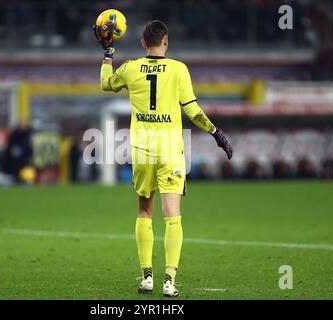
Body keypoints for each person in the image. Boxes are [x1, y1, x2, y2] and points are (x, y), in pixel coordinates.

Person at [94, 20, 233, 297]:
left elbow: (105, 85)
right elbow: (193, 111)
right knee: (173, 216)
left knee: (145, 212)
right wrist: (216, 133)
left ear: (143, 43)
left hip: (142, 150)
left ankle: (147, 277)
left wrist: (108, 53)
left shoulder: (131, 68)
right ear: (166, 42)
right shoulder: (178, 69)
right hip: (170, 150)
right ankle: (169, 281)